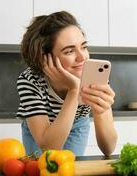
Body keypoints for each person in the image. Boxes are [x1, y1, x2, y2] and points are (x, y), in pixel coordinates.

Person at [17, 11, 117, 157]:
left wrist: (101, 111)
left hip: (77, 124)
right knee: (39, 167)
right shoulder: (30, 80)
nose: (82, 56)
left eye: (83, 46)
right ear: (44, 58)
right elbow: (48, 148)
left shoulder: (93, 76)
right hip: (39, 129)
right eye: (69, 51)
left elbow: (108, 148)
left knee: (69, 169)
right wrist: (74, 90)